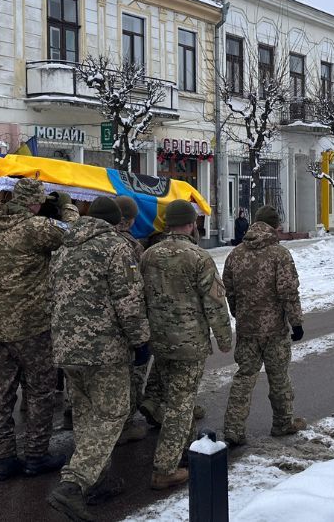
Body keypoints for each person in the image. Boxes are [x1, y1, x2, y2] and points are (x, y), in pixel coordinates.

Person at [46, 197, 150, 519]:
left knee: (86, 416)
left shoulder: (64, 248)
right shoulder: (115, 248)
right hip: (103, 351)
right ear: (116, 220)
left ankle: (98, 481)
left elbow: (51, 295)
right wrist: (141, 341)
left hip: (67, 348)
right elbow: (129, 302)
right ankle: (73, 485)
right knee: (111, 415)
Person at [0, 178, 71, 481]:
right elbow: (75, 234)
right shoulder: (35, 227)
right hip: (31, 324)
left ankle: (3, 458)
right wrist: (67, 208)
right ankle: (36, 454)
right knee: (40, 391)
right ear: (34, 202)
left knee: (0, 392)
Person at [142, 200, 233, 490]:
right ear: (192, 224)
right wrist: (224, 337)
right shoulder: (198, 257)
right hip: (188, 343)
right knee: (181, 404)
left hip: (159, 339)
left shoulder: (148, 255)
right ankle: (165, 467)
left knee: (175, 395)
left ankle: (184, 449)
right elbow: (215, 302)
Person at [222, 206, 306, 449]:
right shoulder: (279, 254)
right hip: (274, 329)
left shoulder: (236, 254)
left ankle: (233, 429)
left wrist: (239, 314)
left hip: (247, 328)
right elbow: (288, 292)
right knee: (278, 377)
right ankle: (282, 422)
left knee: (244, 377)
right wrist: (296, 322)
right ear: (274, 225)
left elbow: (230, 290)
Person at [112, 195, 151, 445]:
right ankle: (124, 422)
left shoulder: (81, 241)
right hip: (121, 325)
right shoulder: (129, 246)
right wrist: (140, 337)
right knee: (129, 374)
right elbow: (133, 292)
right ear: (132, 219)